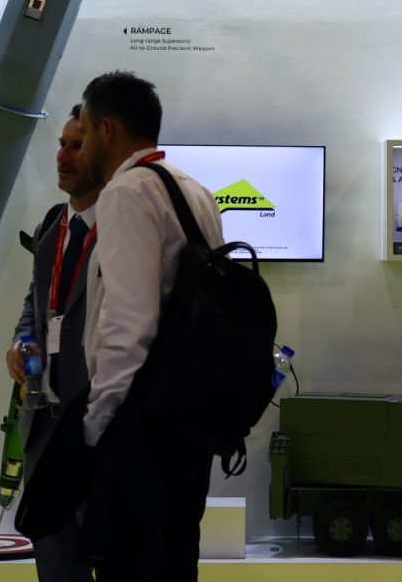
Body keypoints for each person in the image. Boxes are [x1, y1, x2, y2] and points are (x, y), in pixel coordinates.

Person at [77, 71, 224, 581]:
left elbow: (129, 323)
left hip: (142, 423)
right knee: (176, 561)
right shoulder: (194, 190)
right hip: (191, 418)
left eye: (85, 133)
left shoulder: (127, 192)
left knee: (129, 565)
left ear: (108, 129)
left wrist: (97, 423)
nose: (82, 147)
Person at [6, 105, 101, 581]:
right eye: (61, 144)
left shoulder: (125, 226)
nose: (62, 155)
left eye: (76, 146)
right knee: (57, 566)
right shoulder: (51, 224)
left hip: (99, 432)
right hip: (45, 428)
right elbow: (36, 301)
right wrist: (23, 339)